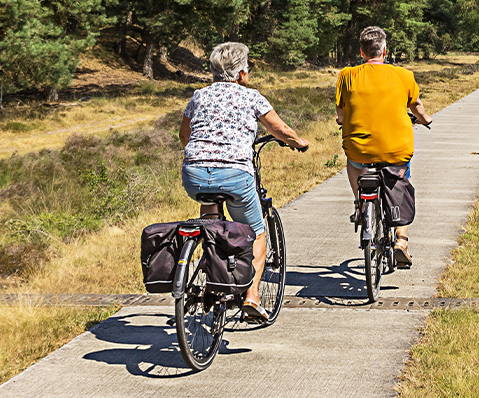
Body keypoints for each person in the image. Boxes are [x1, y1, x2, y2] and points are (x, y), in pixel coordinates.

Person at [179, 42, 310, 321]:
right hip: (235, 175)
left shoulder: (198, 96)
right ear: (240, 74)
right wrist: (298, 142)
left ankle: (214, 272)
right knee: (256, 232)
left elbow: (184, 137)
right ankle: (252, 296)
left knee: (211, 223)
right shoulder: (252, 97)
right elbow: (279, 129)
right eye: (247, 68)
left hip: (194, 174)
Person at [336, 27, 432, 268]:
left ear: (362, 52)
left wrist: (344, 120)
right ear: (384, 50)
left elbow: (340, 113)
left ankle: (360, 204)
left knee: (353, 163)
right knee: (402, 180)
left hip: (359, 149)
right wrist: (426, 119)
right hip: (395, 150)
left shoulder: (347, 75)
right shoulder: (404, 75)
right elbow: (417, 107)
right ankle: (401, 240)